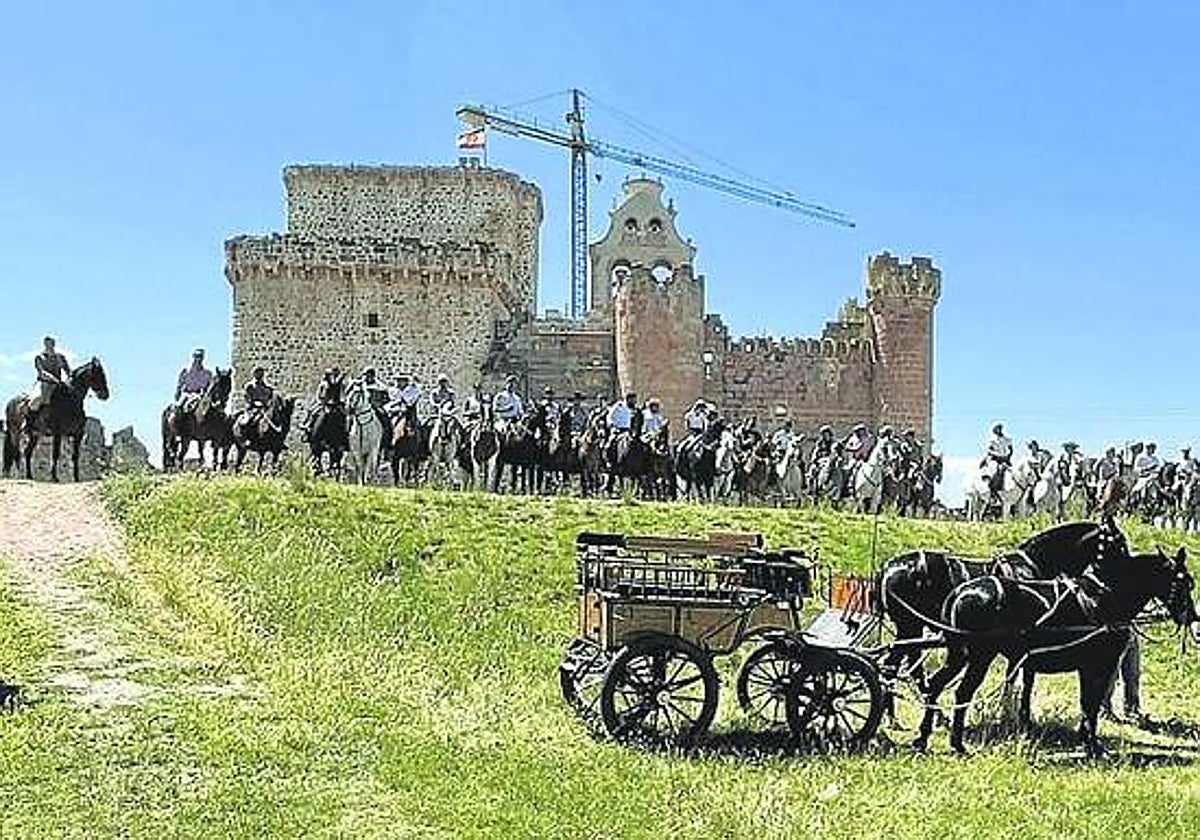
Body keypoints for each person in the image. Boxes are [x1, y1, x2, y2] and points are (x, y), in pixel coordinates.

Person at [30, 335, 71, 412]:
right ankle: (29, 418)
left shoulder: (60, 357)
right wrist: (53, 378)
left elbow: (68, 371)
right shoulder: (40, 357)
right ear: (45, 344)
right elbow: (42, 372)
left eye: (52, 342)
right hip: (44, 383)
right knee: (36, 400)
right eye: (48, 343)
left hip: (59, 384)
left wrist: (71, 379)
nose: (50, 345)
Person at [238, 367, 276, 436]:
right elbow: (247, 399)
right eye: (258, 373)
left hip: (265, 410)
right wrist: (254, 403)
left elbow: (270, 399)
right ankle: (245, 436)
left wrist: (268, 405)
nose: (259, 375)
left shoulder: (268, 388)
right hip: (252, 409)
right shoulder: (249, 387)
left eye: (261, 373)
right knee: (247, 422)